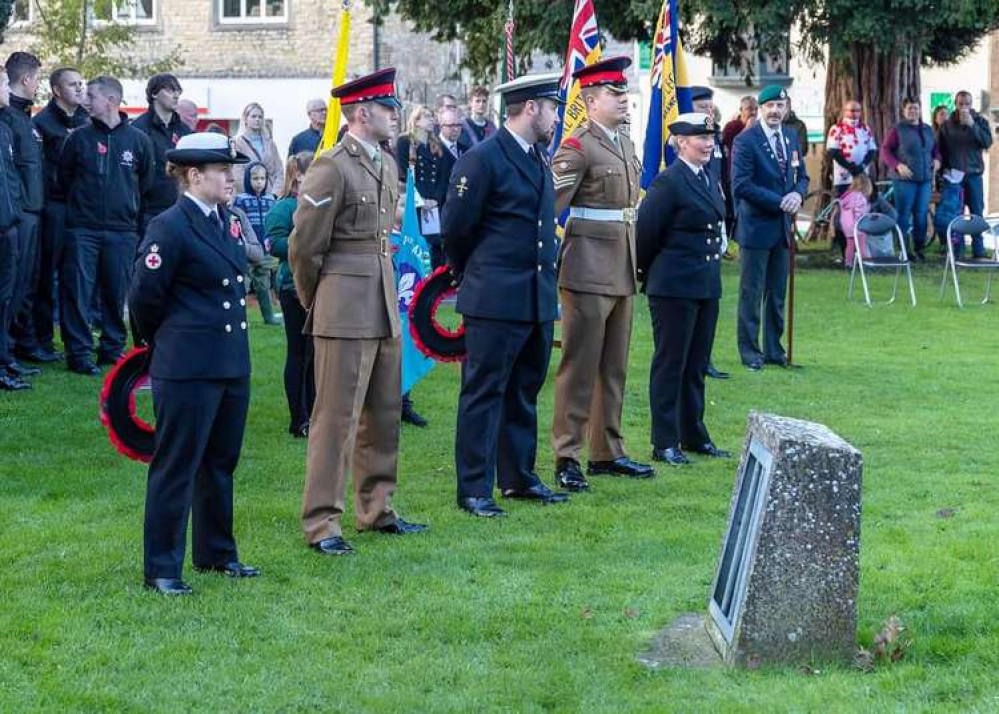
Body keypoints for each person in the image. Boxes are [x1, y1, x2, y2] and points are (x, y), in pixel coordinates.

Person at [290, 68, 428, 557]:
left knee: (384, 412)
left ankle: (377, 508)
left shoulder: (386, 164)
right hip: (343, 303)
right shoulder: (332, 165)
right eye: (389, 109)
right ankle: (323, 522)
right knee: (336, 418)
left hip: (382, 298)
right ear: (362, 112)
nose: (396, 117)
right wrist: (318, 300)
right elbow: (305, 247)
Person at [128, 132, 260, 596]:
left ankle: (216, 553)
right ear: (193, 175)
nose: (232, 177)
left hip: (228, 361)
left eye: (233, 169)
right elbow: (145, 297)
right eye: (223, 171)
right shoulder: (170, 225)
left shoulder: (226, 221)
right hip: (187, 364)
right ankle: (162, 568)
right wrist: (165, 343)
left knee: (220, 463)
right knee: (177, 466)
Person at [442, 72, 570, 518]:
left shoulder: (537, 157)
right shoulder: (483, 159)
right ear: (530, 107)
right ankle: (474, 488)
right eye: (552, 107)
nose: (556, 116)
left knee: (523, 390)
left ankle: (518, 477)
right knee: (484, 393)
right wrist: (470, 273)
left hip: (534, 297)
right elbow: (456, 228)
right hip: (495, 298)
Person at [549, 57, 653, 492]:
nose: (623, 99)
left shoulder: (624, 143)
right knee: (579, 365)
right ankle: (566, 455)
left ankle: (607, 451)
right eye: (614, 93)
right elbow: (551, 207)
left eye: (623, 92)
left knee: (613, 367)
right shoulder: (578, 146)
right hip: (587, 267)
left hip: (622, 265)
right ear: (591, 101)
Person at [637, 112, 730, 466]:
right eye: (700, 138)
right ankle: (664, 442)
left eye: (711, 137)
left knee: (696, 364)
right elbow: (646, 233)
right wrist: (646, 274)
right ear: (680, 143)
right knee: (670, 364)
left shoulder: (708, 177)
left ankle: (693, 433)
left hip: (705, 285)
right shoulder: (669, 182)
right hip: (673, 286)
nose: (708, 143)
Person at [58, 76, 154, 375]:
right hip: (82, 229)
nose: (85, 101)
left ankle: (112, 350)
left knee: (115, 293)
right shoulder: (77, 138)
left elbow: (146, 183)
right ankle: (79, 354)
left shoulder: (138, 140)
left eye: (91, 96)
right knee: (78, 293)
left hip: (122, 231)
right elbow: (63, 179)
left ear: (110, 100)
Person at [732, 85, 809, 371]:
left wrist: (798, 195)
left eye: (780, 105)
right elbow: (741, 185)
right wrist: (780, 201)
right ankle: (750, 351)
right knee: (752, 293)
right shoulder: (746, 140)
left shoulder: (790, 137)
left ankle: (775, 350)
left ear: (786, 108)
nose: (775, 110)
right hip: (756, 227)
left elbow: (802, 176)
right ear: (761, 109)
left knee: (776, 293)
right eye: (770, 106)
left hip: (782, 229)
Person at [32, 67, 88, 365]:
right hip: (53, 207)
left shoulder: (86, 120)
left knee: (76, 278)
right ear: (56, 90)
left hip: (80, 209)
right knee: (46, 275)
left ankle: (75, 341)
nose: (80, 89)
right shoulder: (42, 123)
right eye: (73, 84)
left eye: (82, 83)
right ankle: (41, 339)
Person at [267, 151, 315, 438]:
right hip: (292, 287)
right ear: (298, 174)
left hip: (317, 286)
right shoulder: (284, 207)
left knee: (315, 352)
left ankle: (313, 411)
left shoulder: (317, 204)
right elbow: (274, 244)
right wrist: (307, 247)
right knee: (298, 351)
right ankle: (298, 419)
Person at [2, 52, 43, 374]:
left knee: (24, 287)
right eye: (38, 79)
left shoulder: (23, 117)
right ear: (27, 79)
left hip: (30, 213)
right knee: (11, 288)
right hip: (19, 215)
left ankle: (13, 351)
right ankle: (6, 356)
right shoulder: (9, 119)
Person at [690, 85, 730, 381]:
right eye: (702, 106)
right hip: (691, 231)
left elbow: (716, 179)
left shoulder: (712, 139)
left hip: (712, 216)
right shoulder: (684, 138)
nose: (708, 111)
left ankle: (706, 357)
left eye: (709, 106)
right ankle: (696, 358)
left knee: (710, 300)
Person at [132, 74, 193, 234]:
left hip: (181, 208)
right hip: (147, 212)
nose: (176, 95)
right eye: (170, 90)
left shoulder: (184, 131)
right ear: (154, 93)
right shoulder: (138, 129)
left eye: (178, 91)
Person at [880, 97, 939, 261]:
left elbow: (934, 150)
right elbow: (885, 151)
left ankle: (919, 248)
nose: (913, 111)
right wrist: (897, 165)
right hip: (904, 180)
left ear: (920, 110)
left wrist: (937, 159)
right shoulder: (897, 130)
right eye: (909, 109)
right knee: (904, 214)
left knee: (921, 215)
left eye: (916, 108)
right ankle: (904, 250)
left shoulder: (927, 129)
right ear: (904, 111)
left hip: (924, 179)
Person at [937, 90, 993, 259]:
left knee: (976, 211)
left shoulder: (980, 121)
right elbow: (940, 150)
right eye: (960, 104)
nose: (963, 107)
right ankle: (957, 250)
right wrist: (943, 170)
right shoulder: (947, 125)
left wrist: (972, 126)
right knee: (955, 213)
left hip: (974, 174)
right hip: (954, 176)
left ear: (971, 104)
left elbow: (987, 142)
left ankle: (979, 250)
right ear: (956, 104)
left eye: (967, 104)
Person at [396, 105, 449, 276]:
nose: (431, 120)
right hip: (415, 202)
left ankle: (434, 282)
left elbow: (444, 175)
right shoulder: (405, 142)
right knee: (416, 243)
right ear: (416, 120)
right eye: (426, 116)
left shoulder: (437, 145)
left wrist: (436, 199)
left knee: (434, 245)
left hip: (433, 204)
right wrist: (421, 199)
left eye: (432, 116)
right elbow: (405, 173)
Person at [0, 66, 27, 391]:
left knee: (6, 298)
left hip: (9, 226)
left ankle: (5, 361)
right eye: (5, 84)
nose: (9, 89)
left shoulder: (6, 127)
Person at [825, 99, 878, 261]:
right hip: (843, 179)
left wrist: (861, 166)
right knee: (844, 217)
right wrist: (850, 167)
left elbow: (872, 150)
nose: (853, 114)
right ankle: (844, 252)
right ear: (844, 111)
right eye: (850, 110)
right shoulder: (837, 129)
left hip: (861, 179)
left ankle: (860, 253)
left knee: (861, 212)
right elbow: (833, 151)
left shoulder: (865, 129)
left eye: (857, 110)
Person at [233, 160, 281, 325]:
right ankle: (236, 317)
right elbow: (237, 223)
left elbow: (273, 223)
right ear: (248, 179)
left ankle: (269, 317)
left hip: (264, 251)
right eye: (255, 179)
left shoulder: (270, 199)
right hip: (247, 251)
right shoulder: (241, 200)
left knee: (263, 284)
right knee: (242, 285)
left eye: (262, 178)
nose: (259, 182)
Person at [838, 174, 898, 267]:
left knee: (850, 245)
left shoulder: (847, 196)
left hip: (848, 227)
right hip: (859, 226)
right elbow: (860, 214)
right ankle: (866, 262)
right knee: (862, 245)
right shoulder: (860, 198)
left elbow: (843, 213)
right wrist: (867, 219)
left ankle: (848, 263)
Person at [722, 96, 757, 236]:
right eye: (749, 109)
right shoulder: (732, 126)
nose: (753, 112)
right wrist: (748, 128)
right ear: (741, 110)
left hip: (755, 176)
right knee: (739, 209)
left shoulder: (760, 127)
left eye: (756, 109)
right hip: (736, 175)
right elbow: (732, 144)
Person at [232, 103, 284, 193]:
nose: (257, 119)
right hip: (247, 195)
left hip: (270, 195)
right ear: (245, 119)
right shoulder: (238, 142)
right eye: (253, 116)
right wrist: (252, 194)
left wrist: (275, 193)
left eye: (260, 117)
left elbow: (279, 171)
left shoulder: (270, 143)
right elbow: (237, 174)